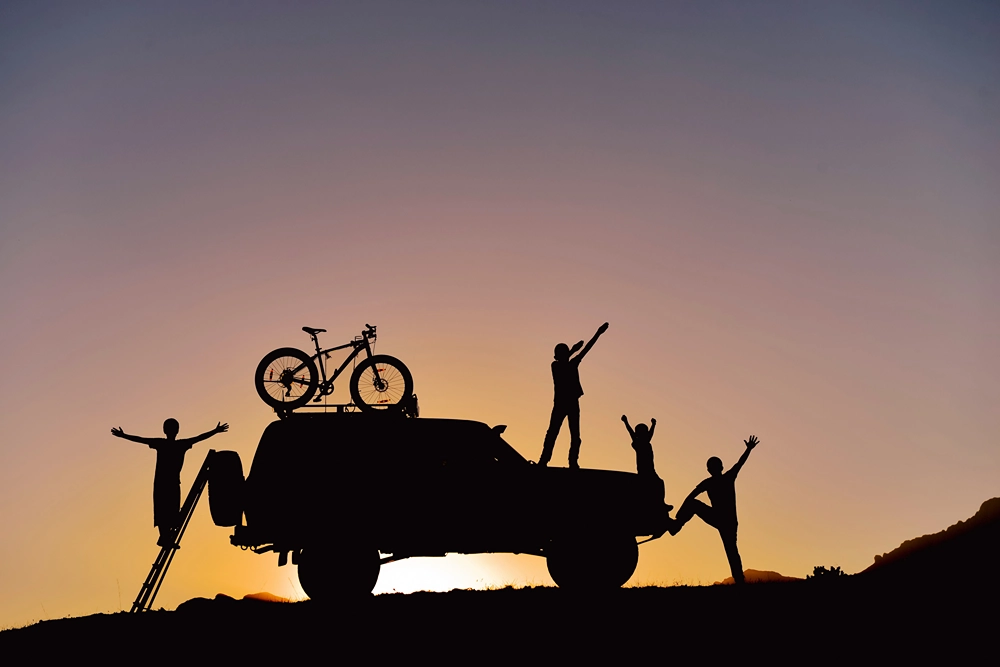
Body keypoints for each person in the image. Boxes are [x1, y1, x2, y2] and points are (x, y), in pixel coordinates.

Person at [112, 419, 229, 547]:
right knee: (164, 510)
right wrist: (215, 431)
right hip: (164, 483)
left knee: (170, 509)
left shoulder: (171, 444)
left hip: (168, 483)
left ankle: (165, 538)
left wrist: (215, 431)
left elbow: (199, 438)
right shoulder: (171, 444)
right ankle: (164, 538)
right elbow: (141, 439)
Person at [668, 435, 760, 584]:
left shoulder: (726, 478)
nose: (713, 469)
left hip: (727, 521)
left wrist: (748, 449)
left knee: (731, 548)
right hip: (718, 517)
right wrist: (679, 517)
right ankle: (739, 579)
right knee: (731, 548)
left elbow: (740, 463)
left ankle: (739, 578)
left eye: (714, 467)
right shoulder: (713, 481)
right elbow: (691, 497)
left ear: (717, 468)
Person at [537, 322, 608, 468]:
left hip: (572, 403)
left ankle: (573, 461)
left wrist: (598, 334)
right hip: (561, 404)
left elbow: (587, 349)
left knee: (575, 435)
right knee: (552, 433)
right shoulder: (555, 366)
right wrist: (573, 350)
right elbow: (564, 361)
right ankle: (544, 460)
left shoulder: (572, 363)